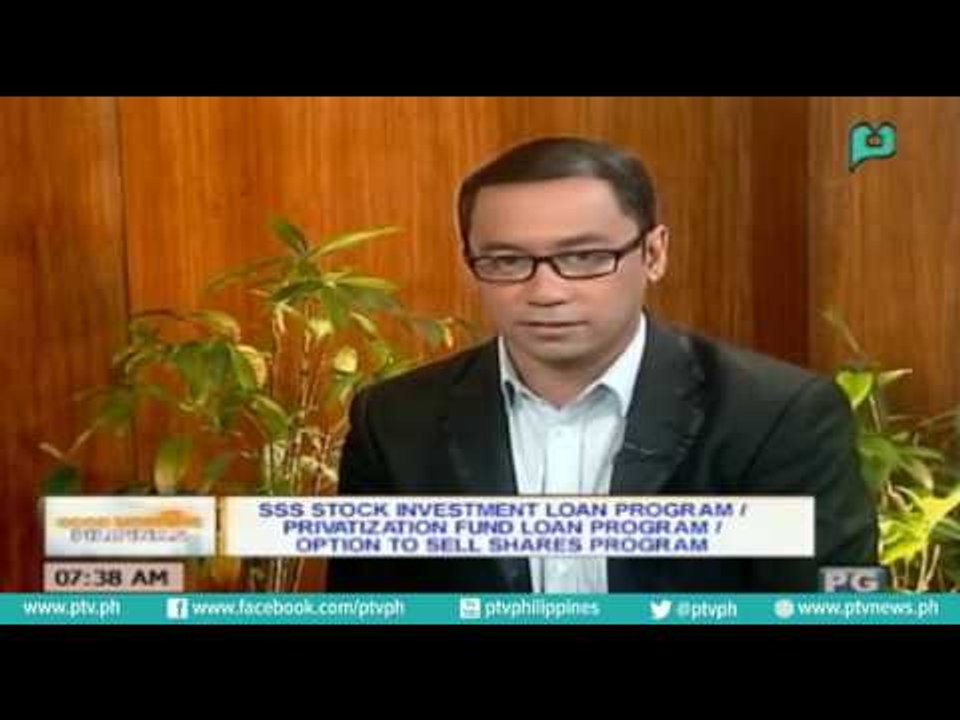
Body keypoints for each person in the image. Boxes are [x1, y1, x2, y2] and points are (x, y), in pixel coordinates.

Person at [326, 136, 877, 593]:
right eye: (507, 261)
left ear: (654, 253)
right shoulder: (395, 420)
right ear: (471, 264)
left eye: (585, 257)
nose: (546, 291)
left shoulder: (776, 415)